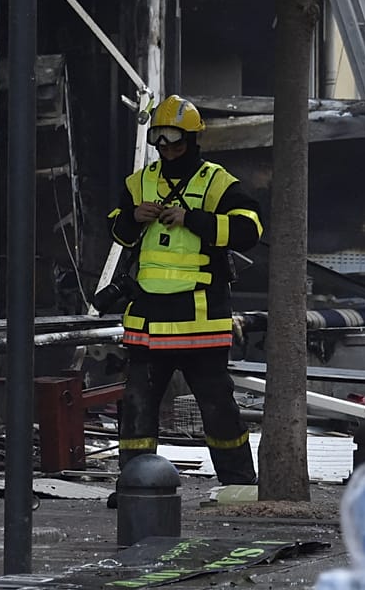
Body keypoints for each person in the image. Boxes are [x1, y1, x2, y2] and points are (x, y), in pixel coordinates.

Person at [106, 95, 262, 487]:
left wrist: (194, 219)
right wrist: (131, 216)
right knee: (137, 408)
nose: (168, 151)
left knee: (217, 406)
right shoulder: (140, 182)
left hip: (199, 320)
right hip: (146, 320)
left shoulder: (217, 182)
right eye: (160, 142)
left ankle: (239, 484)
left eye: (176, 143)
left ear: (193, 141)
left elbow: (250, 230)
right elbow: (115, 228)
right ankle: (135, 485)